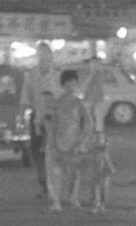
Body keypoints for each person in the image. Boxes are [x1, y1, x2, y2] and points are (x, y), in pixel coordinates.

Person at [19, 43, 62, 199]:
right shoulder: (31, 75)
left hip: (54, 119)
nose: (44, 57)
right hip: (37, 118)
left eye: (46, 54)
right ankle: (44, 185)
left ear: (51, 56)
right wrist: (22, 118)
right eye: (41, 54)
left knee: (54, 153)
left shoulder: (57, 75)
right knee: (38, 153)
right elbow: (25, 97)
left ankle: (55, 186)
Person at [48, 69, 93, 211]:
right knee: (56, 173)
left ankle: (73, 199)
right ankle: (57, 201)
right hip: (58, 142)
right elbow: (53, 124)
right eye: (68, 83)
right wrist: (52, 142)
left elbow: (88, 123)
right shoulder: (57, 102)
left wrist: (82, 142)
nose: (70, 86)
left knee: (73, 174)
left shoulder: (79, 103)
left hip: (74, 143)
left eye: (73, 83)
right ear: (63, 84)